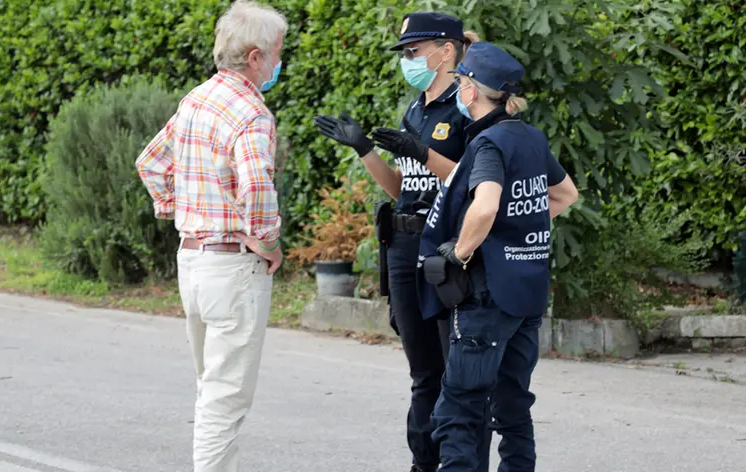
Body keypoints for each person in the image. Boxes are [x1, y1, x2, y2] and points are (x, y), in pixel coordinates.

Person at [314, 12, 479, 472]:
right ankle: (422, 462)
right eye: (405, 53)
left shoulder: (465, 104)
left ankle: (456, 461)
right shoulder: (416, 107)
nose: (407, 59)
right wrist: (365, 149)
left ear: (446, 50)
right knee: (422, 371)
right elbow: (400, 187)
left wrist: (423, 152)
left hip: (445, 246)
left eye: (413, 50)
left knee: (453, 370)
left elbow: (470, 184)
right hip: (404, 246)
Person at [134, 2, 287, 471]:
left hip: (193, 260)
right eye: (279, 52)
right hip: (233, 267)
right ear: (256, 56)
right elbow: (257, 186)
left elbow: (151, 164)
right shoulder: (251, 113)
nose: (282, 61)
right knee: (225, 398)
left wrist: (185, 211)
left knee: (211, 388)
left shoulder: (195, 99)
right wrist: (268, 240)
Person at [416, 41, 580, 472]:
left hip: (488, 298)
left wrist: (460, 251)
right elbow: (565, 195)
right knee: (512, 409)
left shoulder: (488, 144)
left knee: (459, 410)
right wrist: (517, 228)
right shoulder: (530, 137)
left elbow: (486, 206)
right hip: (527, 294)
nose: (459, 89)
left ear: (471, 91)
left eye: (461, 82)